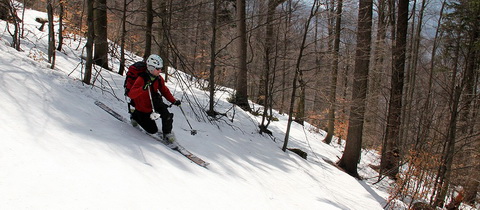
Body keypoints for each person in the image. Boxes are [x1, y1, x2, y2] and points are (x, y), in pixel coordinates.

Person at [128, 54, 181, 143]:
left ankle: (167, 133)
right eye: (158, 69)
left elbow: (164, 90)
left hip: (155, 102)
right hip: (143, 106)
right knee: (152, 130)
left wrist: (173, 100)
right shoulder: (141, 79)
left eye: (160, 68)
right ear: (151, 68)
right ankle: (135, 116)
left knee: (167, 115)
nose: (160, 71)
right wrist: (142, 89)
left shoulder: (158, 78)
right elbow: (131, 94)